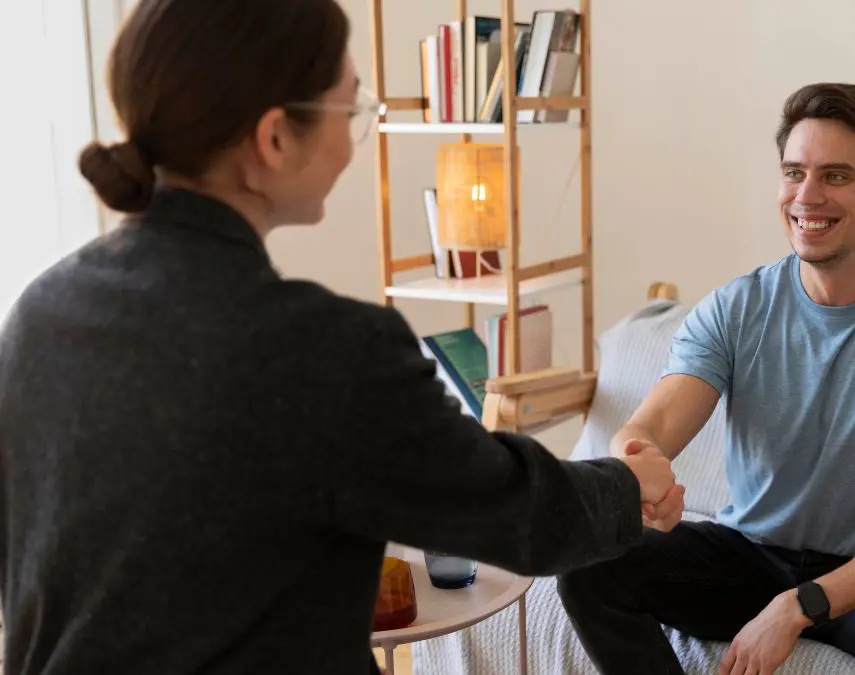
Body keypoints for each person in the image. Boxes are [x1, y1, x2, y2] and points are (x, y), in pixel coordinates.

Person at [0, 1, 677, 673]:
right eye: (349, 111)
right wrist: (628, 483)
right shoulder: (321, 347)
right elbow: (516, 511)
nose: (357, 135)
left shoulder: (41, 312)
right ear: (273, 139)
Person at [557, 83, 855, 675]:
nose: (807, 196)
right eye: (794, 172)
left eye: (836, 176)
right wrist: (636, 467)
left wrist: (799, 606)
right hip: (749, 556)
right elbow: (653, 426)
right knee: (588, 560)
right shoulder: (736, 307)